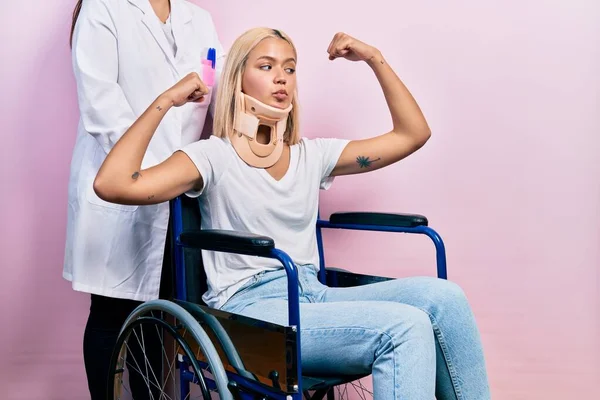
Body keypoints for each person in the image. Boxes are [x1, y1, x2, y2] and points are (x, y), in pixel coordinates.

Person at [92, 27, 492, 399]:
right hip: (249, 307)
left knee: (445, 298)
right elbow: (114, 184)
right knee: (406, 327)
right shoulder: (212, 156)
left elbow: (412, 134)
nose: (281, 77)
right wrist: (167, 100)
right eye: (266, 67)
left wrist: (374, 58)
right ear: (237, 80)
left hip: (311, 293)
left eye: (290, 68)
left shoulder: (311, 156)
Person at [64, 0, 224, 398]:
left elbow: (214, 100)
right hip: (120, 186)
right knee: (110, 315)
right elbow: (101, 108)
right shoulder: (103, 8)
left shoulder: (199, 20)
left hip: (182, 197)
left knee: (160, 317)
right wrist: (156, 175)